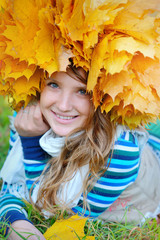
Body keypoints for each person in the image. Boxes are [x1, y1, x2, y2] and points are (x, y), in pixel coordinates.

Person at [0, 63, 144, 239]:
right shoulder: (29, 118)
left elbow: (58, 215)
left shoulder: (120, 151)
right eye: (54, 84)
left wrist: (31, 145)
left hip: (145, 176)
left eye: (83, 91)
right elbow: (13, 188)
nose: (63, 106)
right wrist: (17, 223)